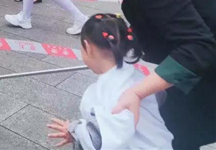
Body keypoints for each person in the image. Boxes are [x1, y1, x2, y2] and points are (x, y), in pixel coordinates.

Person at [60, 0, 216, 149]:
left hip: (207, 57)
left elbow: (198, 46)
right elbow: (164, 19)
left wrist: (137, 92)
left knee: (176, 130)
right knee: (173, 121)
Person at [47, 14, 173, 149]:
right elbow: (159, 97)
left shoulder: (103, 91)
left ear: (87, 47)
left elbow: (104, 138)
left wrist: (75, 131)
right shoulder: (141, 79)